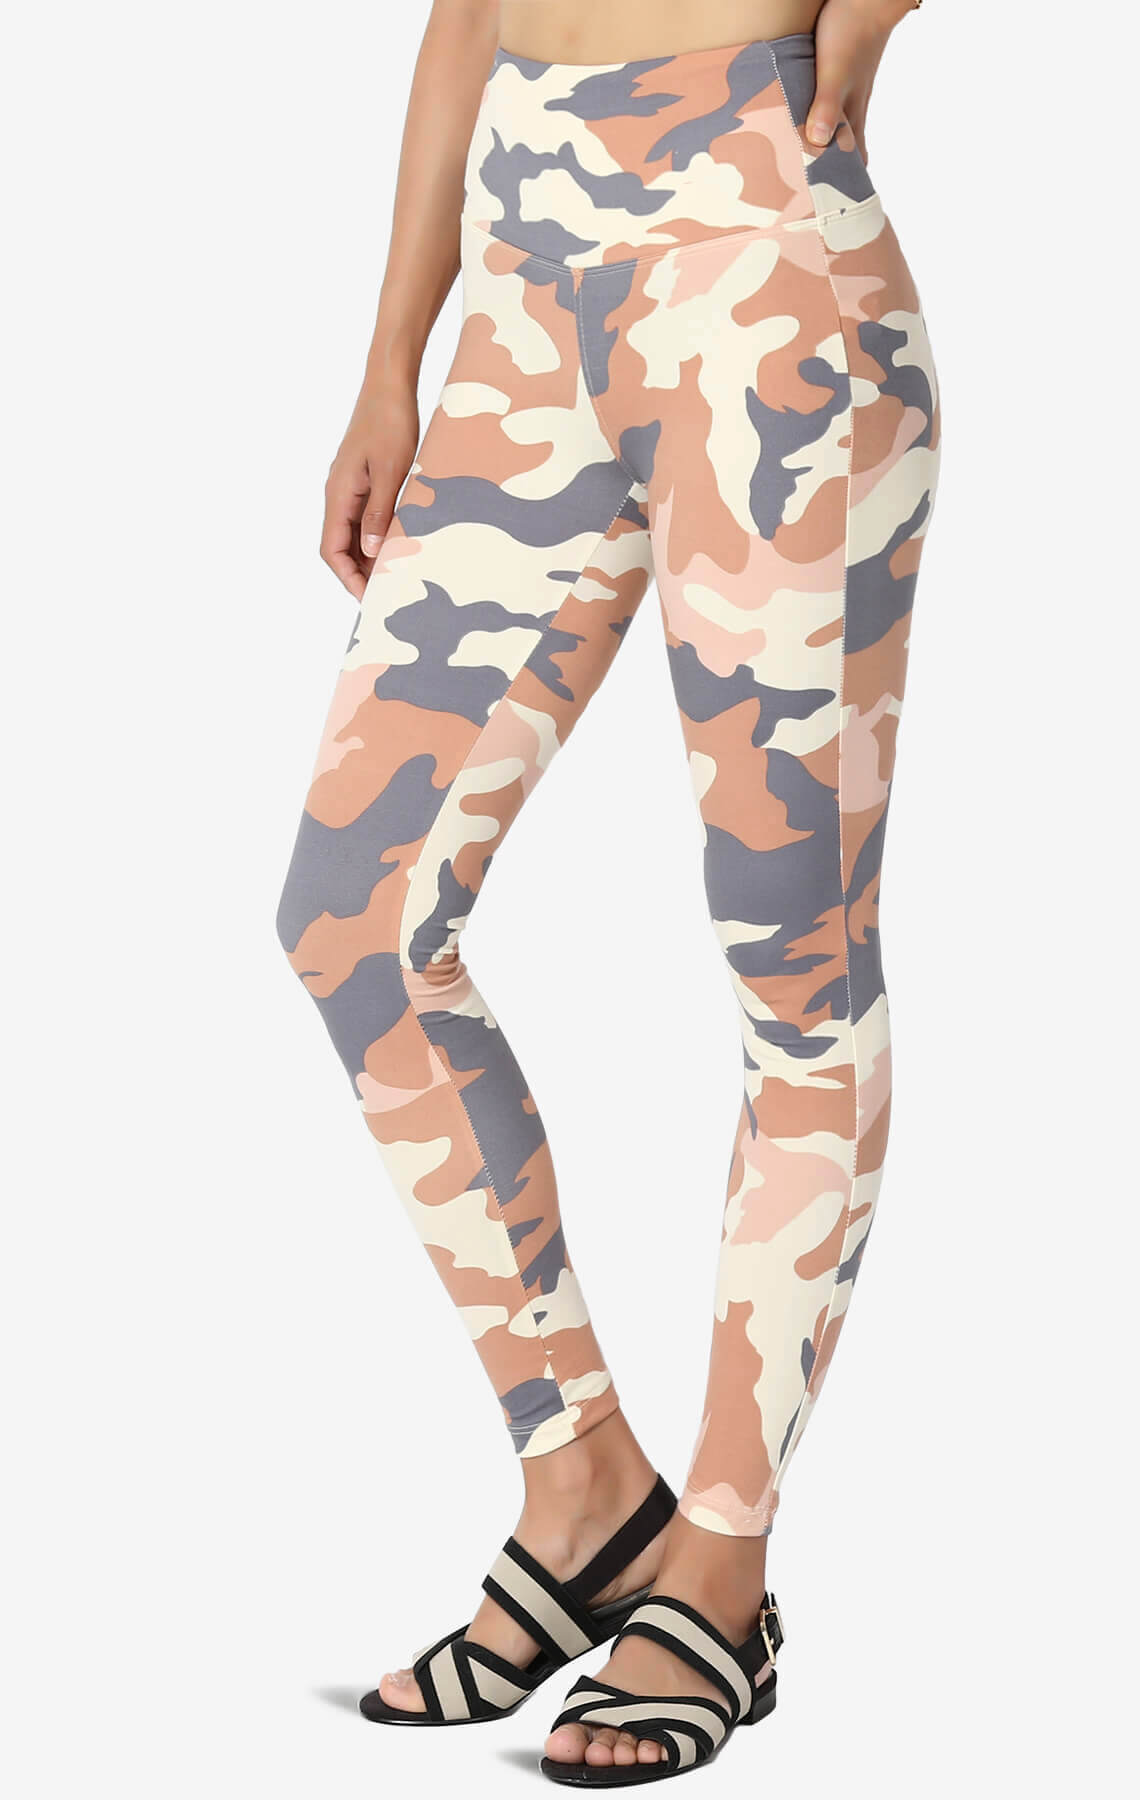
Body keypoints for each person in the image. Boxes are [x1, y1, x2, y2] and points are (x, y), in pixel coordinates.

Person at [276, 0, 939, 1782]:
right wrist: (392, 358)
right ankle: (585, 1490)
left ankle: (722, 1561)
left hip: (763, 242)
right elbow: (467, 9)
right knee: (352, 916)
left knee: (795, 962)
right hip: (525, 279)